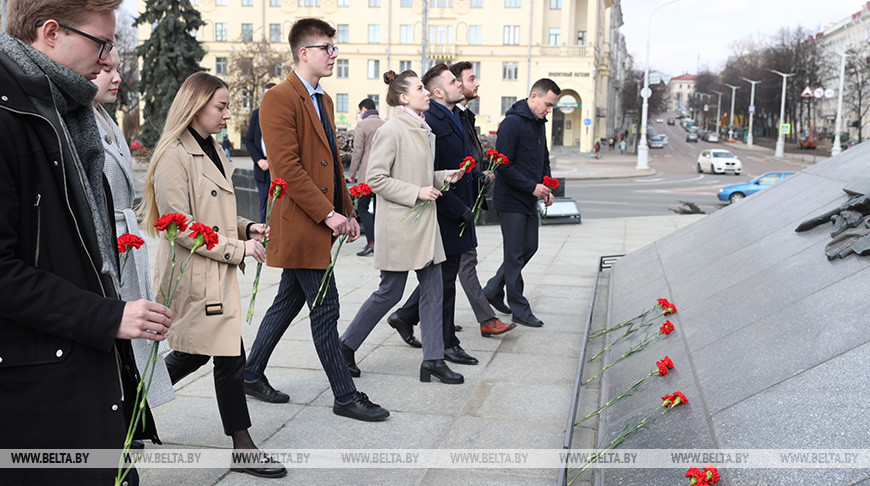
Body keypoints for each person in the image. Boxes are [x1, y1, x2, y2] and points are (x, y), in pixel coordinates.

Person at [0, 1, 172, 483]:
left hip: (81, 367)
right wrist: (108, 316)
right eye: (102, 43)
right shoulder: (13, 110)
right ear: (50, 32)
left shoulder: (61, 106)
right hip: (36, 385)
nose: (111, 60)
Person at [139, 72, 285, 478]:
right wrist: (239, 247)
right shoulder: (174, 155)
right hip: (194, 273)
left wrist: (244, 227)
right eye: (220, 106)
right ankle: (243, 446)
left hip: (213, 269)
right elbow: (181, 225)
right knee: (225, 354)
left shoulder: (213, 148)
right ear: (195, 105)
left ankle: (129, 406)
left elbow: (213, 213)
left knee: (204, 352)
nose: (227, 114)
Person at [243, 18, 389, 422]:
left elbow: (332, 167)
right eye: (327, 47)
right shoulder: (278, 98)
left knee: (288, 301)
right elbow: (285, 167)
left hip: (320, 220)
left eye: (334, 47)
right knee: (326, 308)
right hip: (301, 220)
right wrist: (327, 214)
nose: (333, 54)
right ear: (304, 53)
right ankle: (345, 395)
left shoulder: (322, 99)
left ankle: (250, 373)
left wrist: (348, 211)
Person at [339, 69, 465, 384]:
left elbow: (414, 175)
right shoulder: (392, 129)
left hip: (422, 225)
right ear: (404, 97)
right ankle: (344, 347)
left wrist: (442, 177)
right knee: (390, 292)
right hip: (400, 225)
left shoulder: (422, 129)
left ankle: (433, 360)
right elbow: (376, 179)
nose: (427, 92)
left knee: (434, 290)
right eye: (421, 88)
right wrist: (418, 192)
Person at [386, 63, 515, 364]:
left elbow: (458, 165)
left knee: (444, 281)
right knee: (438, 283)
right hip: (446, 213)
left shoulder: (451, 117)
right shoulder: (431, 121)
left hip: (458, 210)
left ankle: (433, 335)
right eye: (454, 80)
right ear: (439, 91)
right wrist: (458, 210)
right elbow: (426, 173)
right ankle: (443, 344)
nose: (461, 84)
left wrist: (477, 179)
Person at [94, 51, 175, 408]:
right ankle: (125, 412)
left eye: (117, 70)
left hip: (125, 241)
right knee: (119, 336)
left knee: (135, 339)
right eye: (106, 70)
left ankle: (132, 411)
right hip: (107, 246)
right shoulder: (80, 122)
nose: (116, 79)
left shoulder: (104, 118)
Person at [483, 78, 560, 328]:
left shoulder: (539, 124)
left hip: (530, 198)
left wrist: (546, 184)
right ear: (533, 96)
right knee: (514, 255)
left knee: (530, 247)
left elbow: (543, 157)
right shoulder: (511, 123)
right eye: (547, 104)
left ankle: (493, 289)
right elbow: (502, 165)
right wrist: (531, 187)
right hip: (511, 199)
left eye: (552, 106)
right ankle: (519, 309)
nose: (549, 110)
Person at [348, 97, 384, 256]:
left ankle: (371, 242)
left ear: (363, 109)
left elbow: (357, 152)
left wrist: (352, 174)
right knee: (380, 209)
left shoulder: (362, 125)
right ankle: (381, 243)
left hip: (367, 175)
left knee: (362, 206)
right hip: (384, 173)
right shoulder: (385, 124)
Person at [245, 82, 276, 223]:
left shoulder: (284, 113)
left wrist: (273, 160)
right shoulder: (256, 114)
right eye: (265, 94)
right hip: (262, 169)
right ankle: (264, 239)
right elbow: (249, 140)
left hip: (278, 167)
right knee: (264, 205)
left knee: (278, 205)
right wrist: (260, 161)